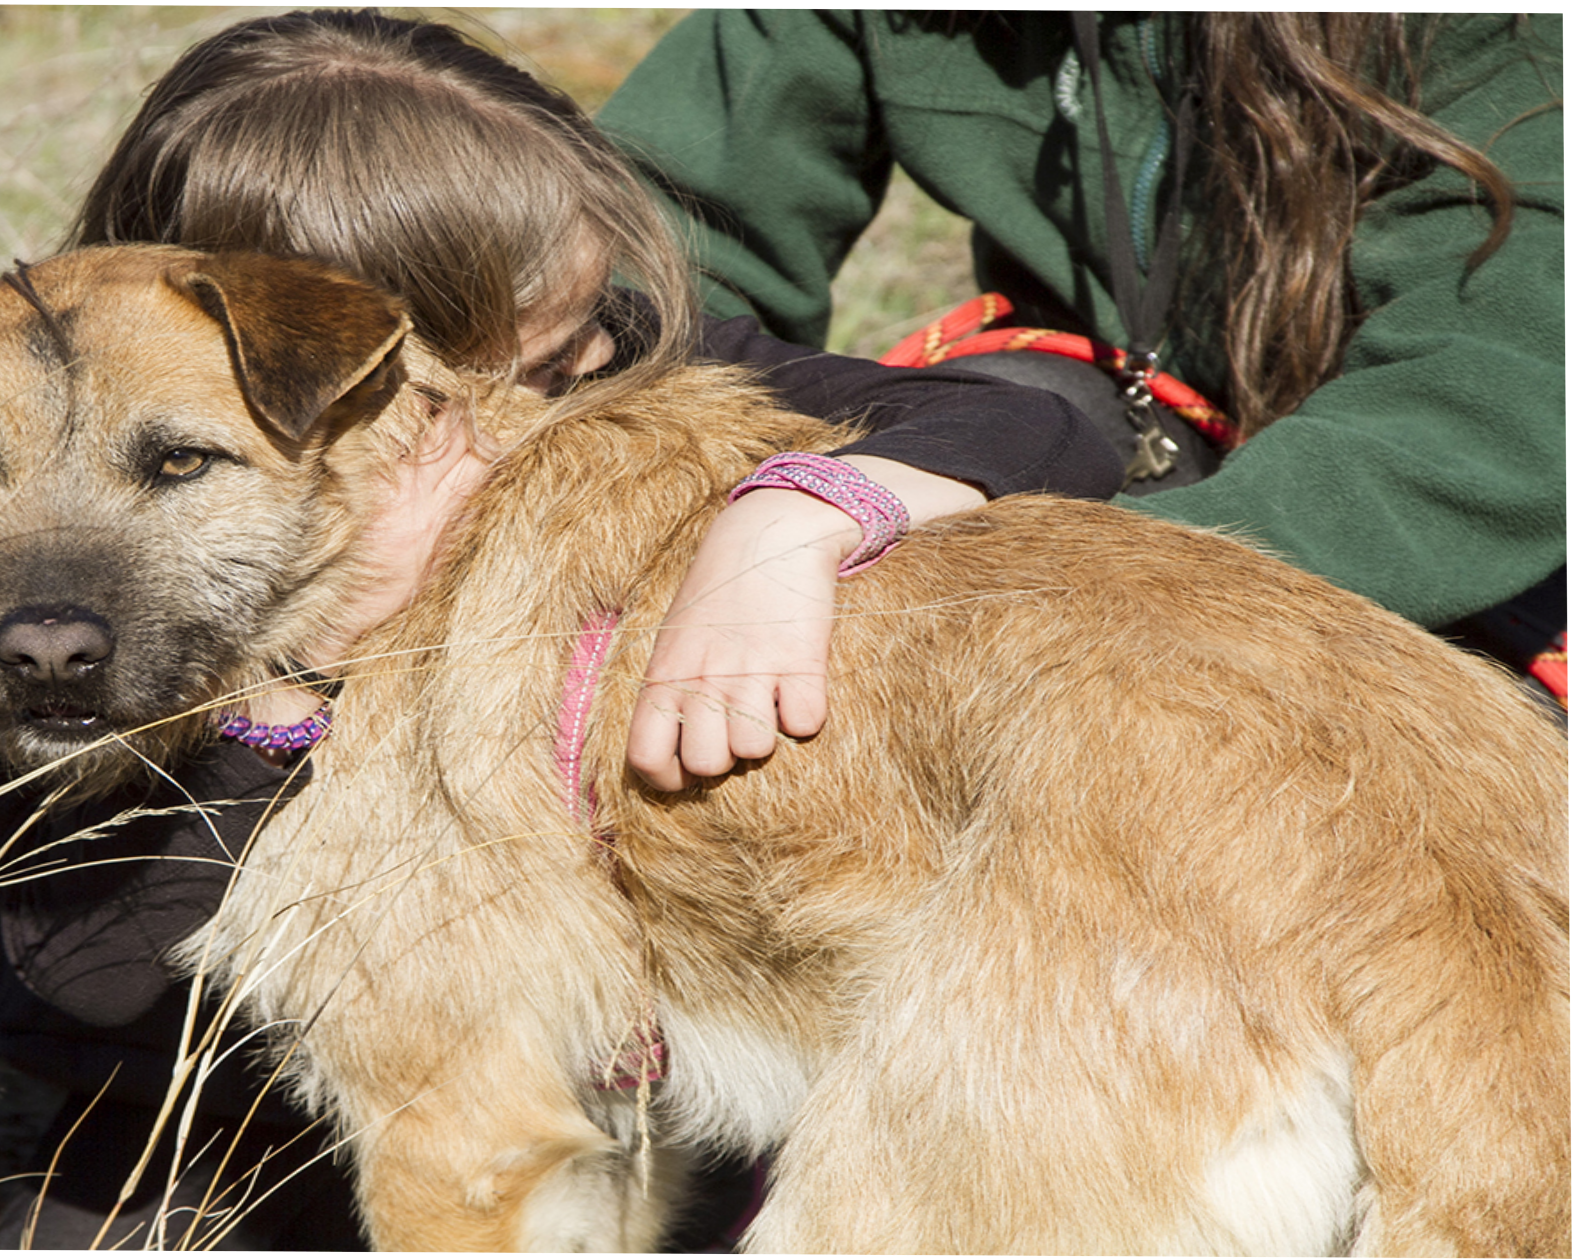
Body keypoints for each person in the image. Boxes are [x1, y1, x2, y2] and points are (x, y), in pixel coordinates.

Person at [0, 10, 1130, 1247]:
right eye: (524, 354)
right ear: (334, 359)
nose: (575, 372)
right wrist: (297, 677)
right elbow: (96, 961)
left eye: (585, 320)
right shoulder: (94, 545)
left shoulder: (580, 341)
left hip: (352, 955)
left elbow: (1039, 406)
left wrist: (804, 510)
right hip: (86, 942)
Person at [598, 10, 1567, 767]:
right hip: (1095, 426)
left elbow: (1491, 397)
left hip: (1443, 521)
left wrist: (1075, 600)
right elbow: (653, 251)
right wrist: (760, 516)